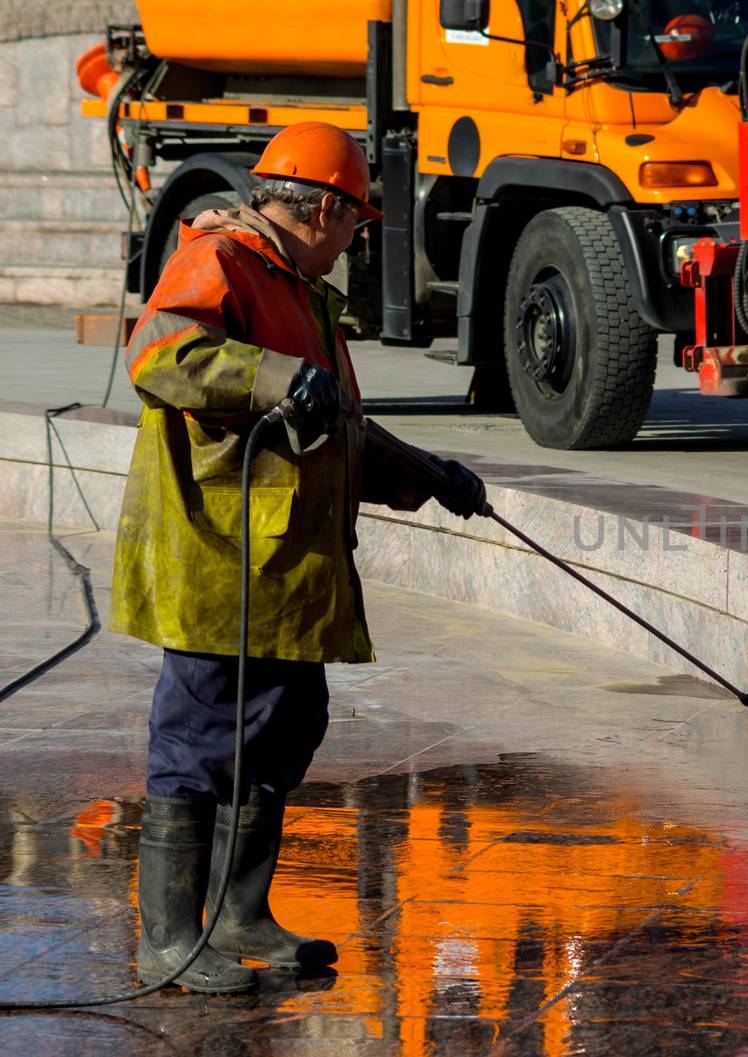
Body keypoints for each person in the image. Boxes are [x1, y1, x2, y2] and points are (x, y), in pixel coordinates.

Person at [110, 122, 486, 993]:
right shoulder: (225, 259)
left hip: (284, 567)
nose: (357, 239)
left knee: (284, 729)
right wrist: (274, 378)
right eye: (355, 223)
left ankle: (239, 913)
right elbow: (163, 353)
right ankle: (168, 937)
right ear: (321, 207)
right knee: (202, 739)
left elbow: (335, 423)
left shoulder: (304, 289)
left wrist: (431, 475)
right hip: (221, 559)